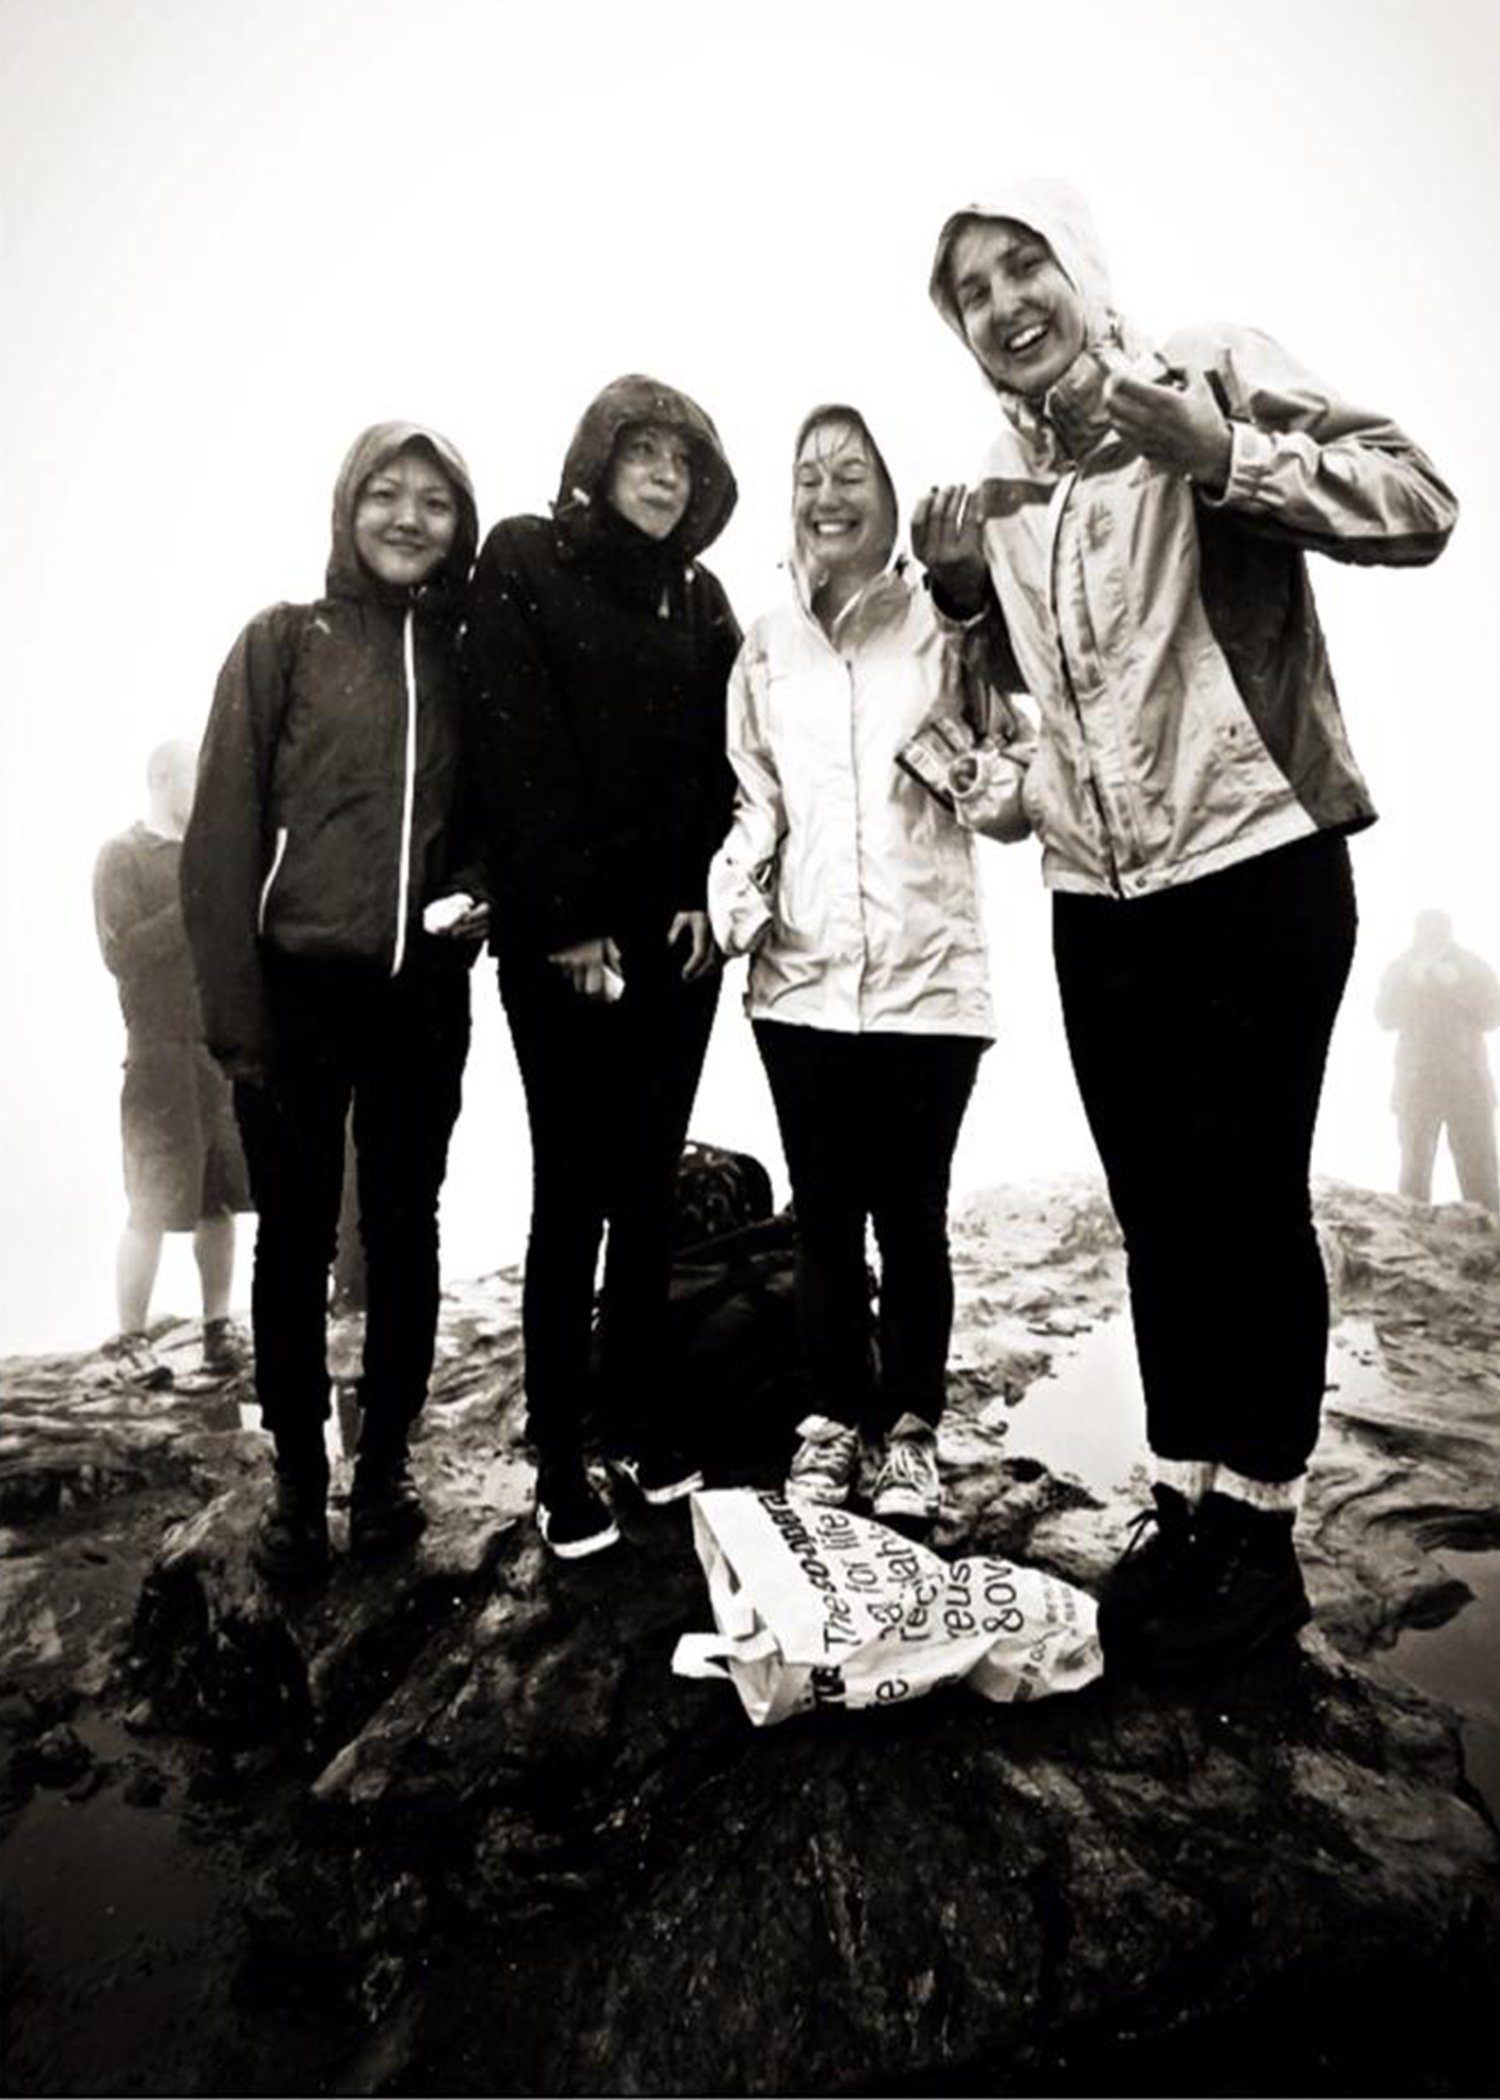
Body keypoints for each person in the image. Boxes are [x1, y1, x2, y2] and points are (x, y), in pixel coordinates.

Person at [918, 178, 1457, 1672]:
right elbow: (1010, 727)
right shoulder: (996, 483)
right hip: (1099, 899)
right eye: (973, 290)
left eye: (1026, 264)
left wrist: (1223, 453)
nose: (1007, 302)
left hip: (1257, 862)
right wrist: (966, 607)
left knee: (1247, 1198)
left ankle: (1265, 1540)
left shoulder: (1207, 365)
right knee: (1156, 1214)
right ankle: (1186, 1507)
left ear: (1081, 267)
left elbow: (1420, 502)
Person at [181, 423, 487, 1581]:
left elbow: (491, 818)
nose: (410, 518)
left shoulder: (467, 652)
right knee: (295, 1243)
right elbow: (218, 837)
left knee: (405, 1231)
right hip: (297, 988)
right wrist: (236, 1017)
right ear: (346, 508)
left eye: (436, 502)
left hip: (422, 992)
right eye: (386, 494)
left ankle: (388, 1467)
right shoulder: (283, 642)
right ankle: (301, 1485)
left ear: (460, 523)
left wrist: (476, 892)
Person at [709, 405, 1022, 1527]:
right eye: (807, 475)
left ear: (893, 496)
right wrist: (734, 884)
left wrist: (973, 598)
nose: (826, 493)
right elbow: (758, 801)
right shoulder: (766, 644)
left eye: (852, 472)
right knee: (825, 1216)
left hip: (929, 980)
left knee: (913, 1215)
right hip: (798, 978)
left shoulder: (942, 623)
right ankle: (834, 1420)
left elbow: (1012, 752)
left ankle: (911, 1434)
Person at [465, 375, 741, 1560]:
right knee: (571, 1188)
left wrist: (702, 898)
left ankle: (637, 1417)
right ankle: (560, 1449)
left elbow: (730, 761)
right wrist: (567, 918)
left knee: (645, 1185)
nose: (666, 472)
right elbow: (511, 735)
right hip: (561, 941)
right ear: (598, 458)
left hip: (675, 945)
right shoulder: (524, 558)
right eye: (643, 448)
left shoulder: (704, 596)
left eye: (686, 456)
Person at [93, 739, 252, 1388]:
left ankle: (219, 1330)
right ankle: (129, 1340)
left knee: (220, 1200)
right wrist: (193, 899)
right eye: (197, 780)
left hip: (214, 1051)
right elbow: (121, 953)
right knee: (152, 1203)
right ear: (162, 780)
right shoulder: (122, 855)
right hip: (156, 1052)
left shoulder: (208, 857)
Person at [1376, 910, 1500, 1212]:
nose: (1431, 936)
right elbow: (1383, 1017)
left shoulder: (1470, 966)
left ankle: (1494, 1251)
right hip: (1417, 1086)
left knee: (1481, 1180)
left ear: (1449, 932)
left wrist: (1457, 987)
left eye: (1437, 930)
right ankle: (1412, 1250)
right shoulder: (1402, 967)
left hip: (1467, 1085)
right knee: (1413, 1183)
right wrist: (1411, 984)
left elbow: (1493, 1014)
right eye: (1426, 930)